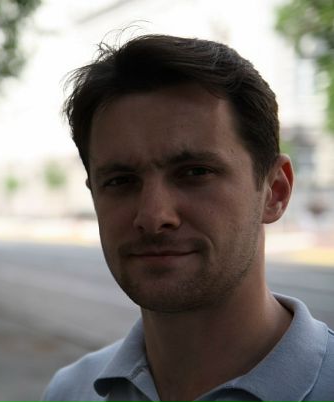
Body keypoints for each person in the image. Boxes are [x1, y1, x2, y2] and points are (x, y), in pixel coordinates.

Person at [42, 34, 334, 402]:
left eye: (195, 172)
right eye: (120, 181)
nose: (153, 216)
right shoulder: (71, 392)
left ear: (275, 191)